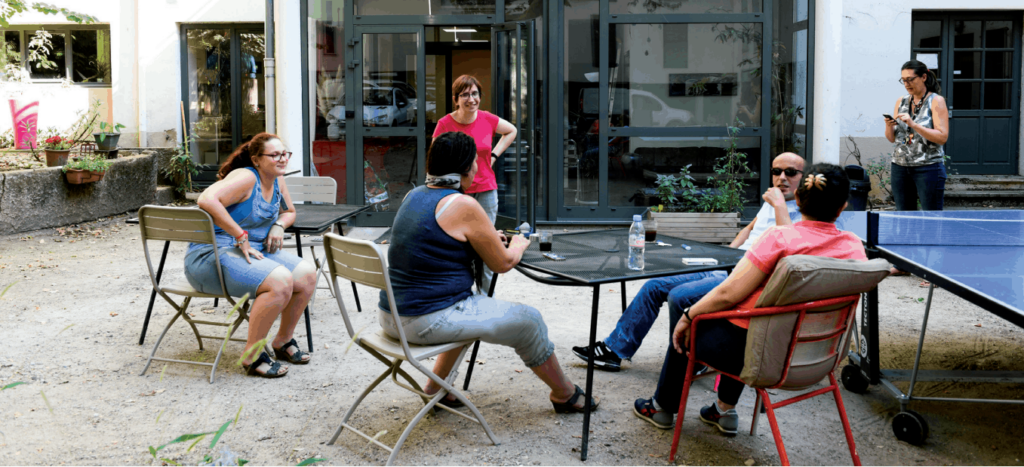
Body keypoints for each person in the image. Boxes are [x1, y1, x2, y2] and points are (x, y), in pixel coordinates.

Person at [633, 163, 868, 433]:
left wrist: (687, 317)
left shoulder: (779, 238)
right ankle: (723, 409)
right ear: (843, 207)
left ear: (798, 198)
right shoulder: (853, 246)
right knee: (749, 319)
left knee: (693, 314)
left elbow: (727, 293)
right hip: (816, 355)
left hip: (757, 356)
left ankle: (662, 407)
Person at [379, 131, 598, 413]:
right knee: (529, 321)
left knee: (469, 306)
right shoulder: (462, 204)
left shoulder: (414, 195)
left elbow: (438, 238)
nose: (477, 167)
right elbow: (502, 264)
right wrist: (518, 244)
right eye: (475, 161)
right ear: (465, 168)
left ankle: (435, 388)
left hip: (391, 315)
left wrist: (486, 237)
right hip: (423, 321)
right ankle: (564, 394)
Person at [573, 152, 806, 372]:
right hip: (727, 266)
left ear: (803, 178)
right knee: (654, 285)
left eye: (790, 172)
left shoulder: (802, 210)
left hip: (745, 277)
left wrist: (779, 205)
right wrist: (726, 254)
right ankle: (615, 350)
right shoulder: (771, 200)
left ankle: (691, 361)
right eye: (776, 171)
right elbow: (749, 229)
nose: (782, 177)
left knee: (681, 295)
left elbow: (788, 246)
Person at [185, 133, 316, 379]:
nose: (282, 159)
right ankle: (252, 355)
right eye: (275, 155)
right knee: (279, 281)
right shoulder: (246, 177)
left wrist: (278, 225)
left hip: (253, 250)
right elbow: (206, 199)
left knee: (307, 275)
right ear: (256, 160)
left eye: (284, 154)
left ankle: (282, 341)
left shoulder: (277, 179)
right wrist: (240, 235)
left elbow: (289, 211)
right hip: (212, 255)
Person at [432, 75, 517, 292]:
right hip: (457, 192)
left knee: (487, 246)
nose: (471, 99)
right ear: (456, 99)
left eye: (475, 94)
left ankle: (486, 297)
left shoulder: (487, 119)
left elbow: (511, 130)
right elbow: (435, 156)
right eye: (465, 95)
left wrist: (494, 155)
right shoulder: (445, 124)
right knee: (460, 245)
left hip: (486, 190)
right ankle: (460, 292)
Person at [884, 60, 949, 212]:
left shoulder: (936, 101)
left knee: (931, 215)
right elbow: (892, 139)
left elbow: (942, 137)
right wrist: (889, 126)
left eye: (910, 79)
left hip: (928, 167)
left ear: (924, 77)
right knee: (904, 216)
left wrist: (913, 124)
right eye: (903, 80)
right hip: (900, 167)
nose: (907, 84)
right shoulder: (901, 101)